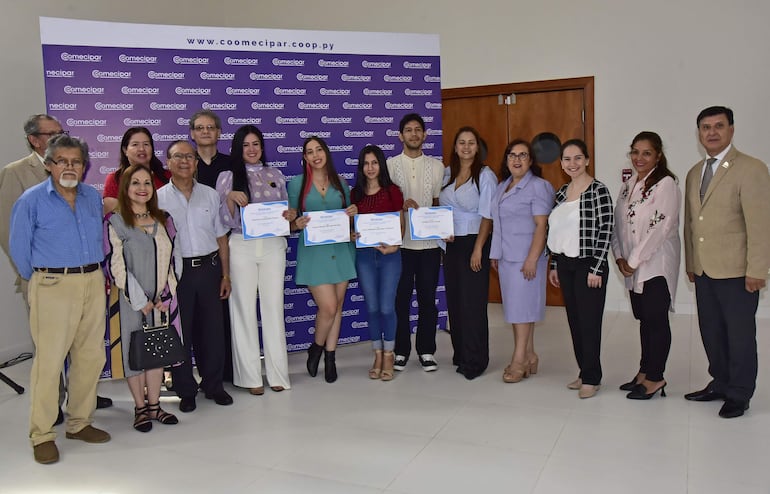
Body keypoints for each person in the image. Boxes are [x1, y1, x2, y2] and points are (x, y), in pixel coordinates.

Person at [0, 115, 112, 424]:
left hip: (91, 281)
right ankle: (43, 432)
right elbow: (19, 248)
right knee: (49, 363)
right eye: (61, 161)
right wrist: (42, 279)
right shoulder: (31, 200)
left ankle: (80, 422)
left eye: (76, 161)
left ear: (84, 165)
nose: (69, 167)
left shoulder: (91, 196)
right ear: (49, 164)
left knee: (90, 358)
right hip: (51, 284)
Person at [683, 106, 770, 418]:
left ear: (731, 129)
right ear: (699, 133)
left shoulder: (751, 168)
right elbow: (691, 224)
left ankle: (740, 393)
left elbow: (761, 225)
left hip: (737, 271)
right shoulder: (695, 173)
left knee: (740, 334)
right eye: (705, 127)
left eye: (719, 126)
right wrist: (691, 263)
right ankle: (720, 382)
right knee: (711, 330)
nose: (712, 132)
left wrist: (757, 270)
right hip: (705, 270)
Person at [216, 125, 294, 395]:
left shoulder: (275, 174)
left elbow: (286, 213)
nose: (251, 149)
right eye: (246, 145)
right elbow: (222, 222)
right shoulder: (227, 177)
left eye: (256, 144)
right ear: (238, 148)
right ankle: (250, 377)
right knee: (243, 311)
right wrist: (229, 199)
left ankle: (278, 374)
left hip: (272, 246)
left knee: (274, 308)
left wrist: (289, 216)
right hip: (241, 246)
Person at [157, 140, 233, 412]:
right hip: (178, 274)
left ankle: (213, 386)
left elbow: (221, 237)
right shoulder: (158, 198)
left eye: (189, 156)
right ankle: (185, 389)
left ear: (196, 162)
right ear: (168, 162)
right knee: (181, 334)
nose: (185, 161)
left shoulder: (211, 195)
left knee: (213, 332)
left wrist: (226, 275)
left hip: (210, 269)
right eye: (178, 157)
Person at [104, 164, 181, 431]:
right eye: (135, 183)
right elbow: (116, 266)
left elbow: (173, 260)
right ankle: (139, 408)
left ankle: (155, 405)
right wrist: (141, 300)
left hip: (160, 300)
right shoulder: (115, 221)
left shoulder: (164, 220)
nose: (142, 188)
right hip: (130, 301)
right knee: (133, 353)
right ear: (125, 188)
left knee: (157, 354)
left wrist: (165, 295)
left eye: (147, 182)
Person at [611, 132, 680, 400]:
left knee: (656, 320)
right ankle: (644, 371)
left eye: (647, 153)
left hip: (655, 265)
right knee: (644, 320)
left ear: (658, 156)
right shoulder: (628, 185)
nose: (639, 158)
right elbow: (618, 225)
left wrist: (632, 260)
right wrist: (619, 256)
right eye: (635, 152)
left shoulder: (666, 185)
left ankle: (655, 378)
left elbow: (660, 228)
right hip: (631, 264)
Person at [547, 139, 613, 399]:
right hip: (565, 264)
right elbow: (557, 231)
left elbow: (606, 230)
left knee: (589, 323)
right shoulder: (562, 193)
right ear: (561, 163)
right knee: (574, 322)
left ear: (586, 160)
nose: (572, 163)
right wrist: (554, 264)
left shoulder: (598, 191)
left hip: (589, 266)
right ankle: (584, 372)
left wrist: (596, 268)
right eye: (566, 159)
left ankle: (592, 378)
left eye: (577, 158)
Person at [288, 137, 357, 383]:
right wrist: (295, 223)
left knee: (337, 307)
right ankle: (316, 348)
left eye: (319, 149)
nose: (315, 154)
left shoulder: (341, 183)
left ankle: (330, 357)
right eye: (309, 151)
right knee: (327, 307)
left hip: (341, 250)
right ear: (304, 158)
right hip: (314, 254)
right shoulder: (297, 184)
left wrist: (352, 215)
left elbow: (348, 219)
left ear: (326, 152)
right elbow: (290, 221)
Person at [490, 139, 554, 383]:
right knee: (520, 308)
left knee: (521, 310)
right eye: (512, 155)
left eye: (523, 155)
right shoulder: (502, 186)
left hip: (527, 258)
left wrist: (532, 258)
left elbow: (541, 226)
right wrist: (495, 254)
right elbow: (498, 224)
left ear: (531, 160)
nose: (517, 160)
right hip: (507, 257)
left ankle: (519, 359)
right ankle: (530, 355)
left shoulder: (539, 187)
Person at [386, 113, 445, 372]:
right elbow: (385, 204)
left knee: (427, 301)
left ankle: (427, 350)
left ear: (424, 135)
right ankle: (400, 351)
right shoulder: (388, 165)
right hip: (399, 247)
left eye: (418, 130)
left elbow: (436, 205)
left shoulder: (437, 166)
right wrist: (401, 207)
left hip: (429, 247)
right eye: (408, 130)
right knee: (399, 300)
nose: (413, 134)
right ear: (400, 136)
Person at [439, 127, 497, 380]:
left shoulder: (485, 175)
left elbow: (488, 215)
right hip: (452, 245)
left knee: (473, 304)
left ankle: (476, 360)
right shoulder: (447, 173)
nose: (466, 147)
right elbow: (440, 208)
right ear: (455, 146)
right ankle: (461, 354)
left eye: (471, 143)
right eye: (461, 142)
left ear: (477, 147)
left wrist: (478, 249)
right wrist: (441, 231)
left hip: (475, 242)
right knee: (456, 302)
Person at [351, 144, 404, 381]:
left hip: (390, 256)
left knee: (386, 307)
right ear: (361, 167)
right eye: (366, 163)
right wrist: (352, 234)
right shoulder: (356, 194)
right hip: (364, 257)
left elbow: (401, 223)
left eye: (374, 163)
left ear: (381, 165)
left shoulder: (393, 191)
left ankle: (390, 353)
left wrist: (396, 245)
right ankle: (378, 353)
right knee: (372, 307)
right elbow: (354, 228)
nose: (370, 168)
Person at [189, 109, 234, 383]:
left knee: (224, 315)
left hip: (227, 248)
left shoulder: (232, 164)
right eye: (200, 127)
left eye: (211, 127)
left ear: (219, 133)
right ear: (192, 134)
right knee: (196, 319)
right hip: (194, 250)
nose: (206, 132)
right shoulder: (185, 165)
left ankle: (226, 372)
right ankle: (199, 372)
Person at [103, 127, 171, 214]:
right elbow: (111, 216)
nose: (141, 149)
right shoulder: (115, 178)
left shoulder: (167, 176)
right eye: (135, 144)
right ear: (125, 150)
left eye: (146, 144)